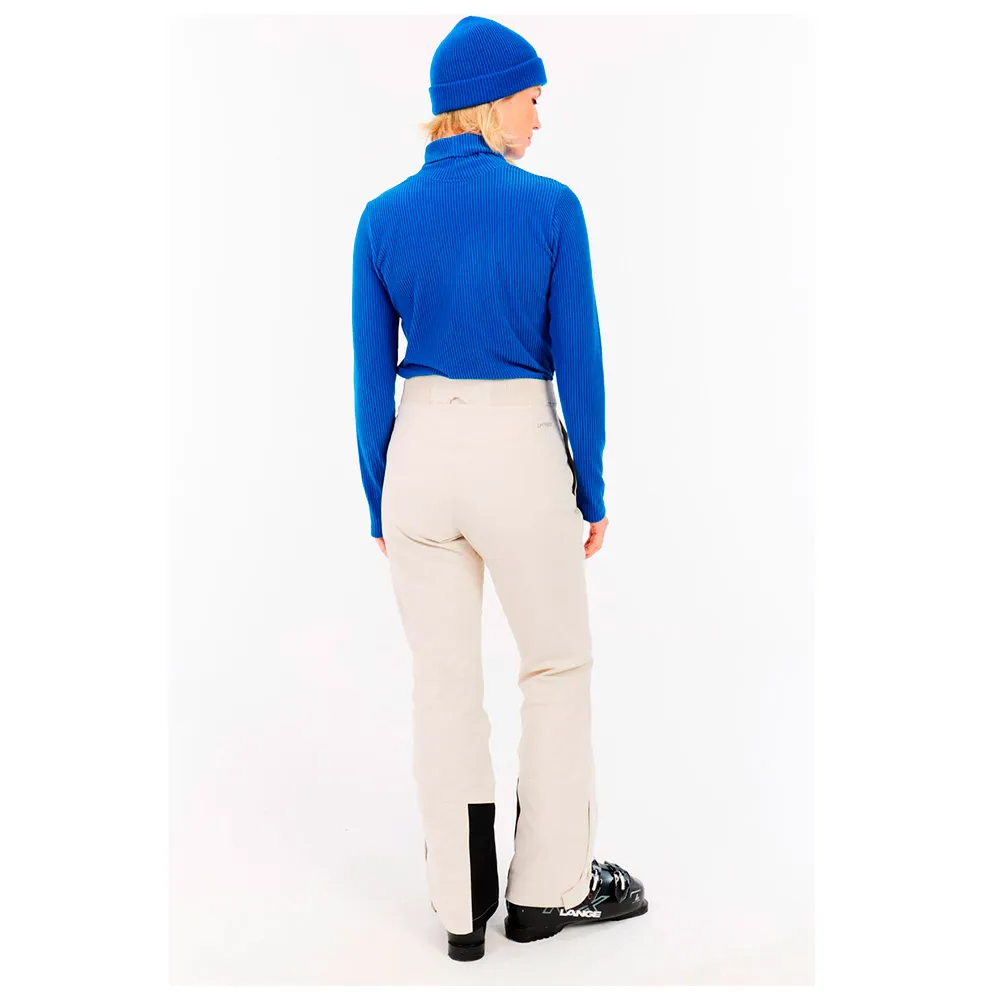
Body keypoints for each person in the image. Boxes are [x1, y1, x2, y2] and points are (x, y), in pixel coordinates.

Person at [351, 15, 647, 962]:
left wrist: (379, 498)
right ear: (488, 102)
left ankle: (459, 908)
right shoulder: (550, 207)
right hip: (516, 450)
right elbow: (581, 364)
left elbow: (369, 380)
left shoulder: (382, 217)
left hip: (418, 455)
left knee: (442, 684)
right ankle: (545, 894)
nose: (539, 117)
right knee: (554, 666)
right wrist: (591, 485)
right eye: (531, 97)